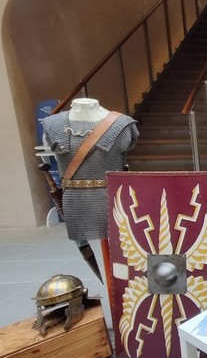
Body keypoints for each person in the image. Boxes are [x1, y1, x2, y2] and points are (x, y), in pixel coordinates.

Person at [41, 98, 139, 282]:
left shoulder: (122, 125)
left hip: (111, 199)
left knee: (122, 255)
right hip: (75, 200)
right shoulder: (53, 125)